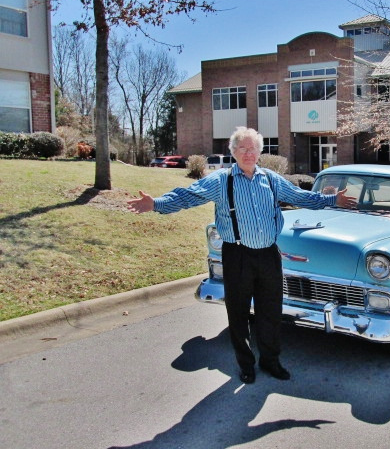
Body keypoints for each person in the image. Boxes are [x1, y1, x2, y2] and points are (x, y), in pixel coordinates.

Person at [127, 127, 356, 384]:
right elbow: (188, 196)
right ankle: (246, 365)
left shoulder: (270, 179)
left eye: (253, 148)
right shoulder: (221, 181)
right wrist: (156, 203)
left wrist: (332, 200)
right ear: (233, 151)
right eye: (243, 148)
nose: (248, 153)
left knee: (270, 311)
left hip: (269, 255)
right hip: (237, 255)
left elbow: (301, 197)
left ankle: (271, 361)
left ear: (260, 152)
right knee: (238, 312)